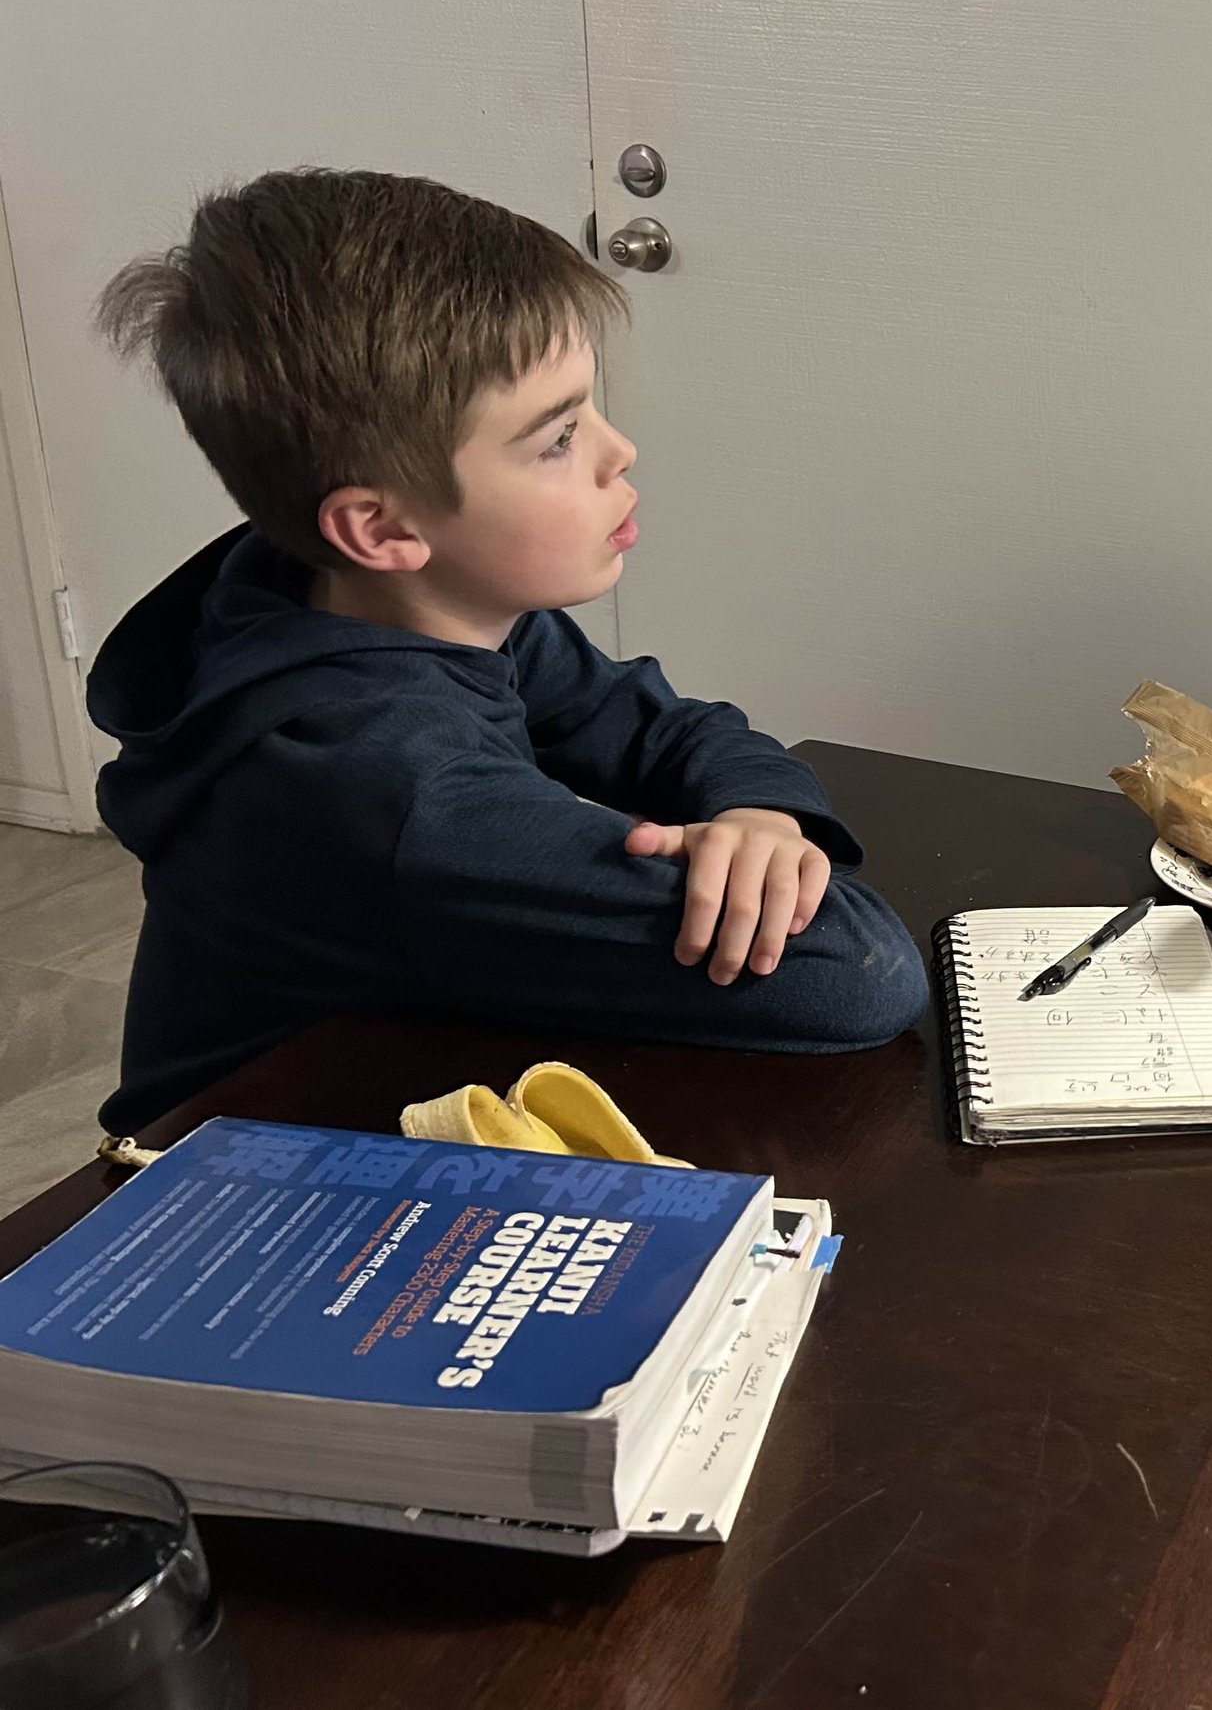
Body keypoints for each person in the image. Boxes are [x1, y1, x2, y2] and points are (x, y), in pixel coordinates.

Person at [87, 169, 928, 1134]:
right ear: (378, 526)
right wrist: (755, 864)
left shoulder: (376, 596)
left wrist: (763, 817)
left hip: (388, 1082)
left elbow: (667, 728)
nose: (621, 453)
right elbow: (855, 975)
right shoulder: (400, 796)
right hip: (241, 1207)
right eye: (559, 438)